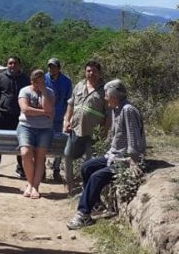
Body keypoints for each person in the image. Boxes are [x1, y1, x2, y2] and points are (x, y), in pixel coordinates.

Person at [67, 79, 146, 230]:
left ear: (114, 96)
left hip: (124, 160)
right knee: (86, 167)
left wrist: (134, 161)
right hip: (114, 156)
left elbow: (134, 137)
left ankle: (83, 215)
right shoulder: (116, 109)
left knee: (97, 177)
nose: (104, 98)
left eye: (106, 95)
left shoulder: (127, 110)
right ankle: (95, 203)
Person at [63, 60, 109, 186]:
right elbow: (71, 104)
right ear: (85, 72)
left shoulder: (105, 89)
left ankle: (86, 187)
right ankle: (70, 184)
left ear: (99, 73)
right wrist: (67, 120)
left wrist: (104, 133)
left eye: (94, 71)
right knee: (68, 154)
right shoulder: (79, 85)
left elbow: (109, 114)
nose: (91, 73)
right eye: (88, 71)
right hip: (76, 129)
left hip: (94, 133)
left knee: (90, 162)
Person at [0, 56, 30, 177]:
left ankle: (21, 169)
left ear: (19, 65)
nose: (12, 65)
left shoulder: (25, 79)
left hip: (19, 116)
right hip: (2, 115)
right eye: (10, 63)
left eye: (14, 63)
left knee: (20, 142)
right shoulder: (0, 77)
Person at [17, 69, 55, 199]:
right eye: (36, 81)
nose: (39, 83)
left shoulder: (49, 92)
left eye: (42, 80)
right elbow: (25, 109)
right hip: (26, 127)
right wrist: (44, 113)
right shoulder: (24, 91)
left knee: (40, 157)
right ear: (32, 81)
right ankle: (29, 182)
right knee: (26, 153)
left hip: (45, 128)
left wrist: (43, 92)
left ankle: (35, 186)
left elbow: (49, 108)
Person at [45, 58, 73, 181]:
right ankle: (42, 170)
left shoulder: (66, 81)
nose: (52, 69)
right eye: (50, 67)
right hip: (45, 117)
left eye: (54, 67)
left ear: (59, 68)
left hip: (60, 116)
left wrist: (68, 117)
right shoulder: (43, 79)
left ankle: (56, 169)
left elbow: (69, 100)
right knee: (43, 143)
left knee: (59, 143)